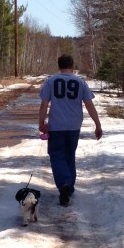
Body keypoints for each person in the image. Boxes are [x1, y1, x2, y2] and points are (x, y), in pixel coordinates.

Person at [38, 54, 102, 206]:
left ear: (59, 66)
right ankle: (69, 187)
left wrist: (41, 122)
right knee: (69, 155)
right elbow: (89, 105)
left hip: (56, 126)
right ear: (72, 66)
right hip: (74, 126)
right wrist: (97, 125)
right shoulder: (80, 82)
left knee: (56, 155)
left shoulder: (51, 82)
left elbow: (44, 103)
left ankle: (64, 184)